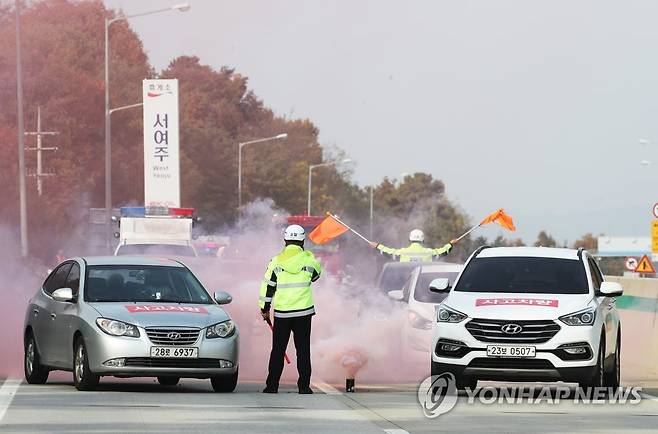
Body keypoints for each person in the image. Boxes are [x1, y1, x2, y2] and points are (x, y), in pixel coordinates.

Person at [259, 224, 322, 394]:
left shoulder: (276, 261)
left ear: (285, 240)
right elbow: (316, 275)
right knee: (303, 350)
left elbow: (267, 287)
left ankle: (272, 386)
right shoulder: (309, 259)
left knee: (278, 350)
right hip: (303, 312)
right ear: (302, 241)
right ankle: (304, 387)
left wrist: (264, 308)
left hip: (282, 313)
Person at [370, 229, 455, 262]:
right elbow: (444, 251)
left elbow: (388, 252)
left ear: (410, 240)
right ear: (423, 240)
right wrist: (451, 244)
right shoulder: (430, 253)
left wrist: (378, 246)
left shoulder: (402, 253)